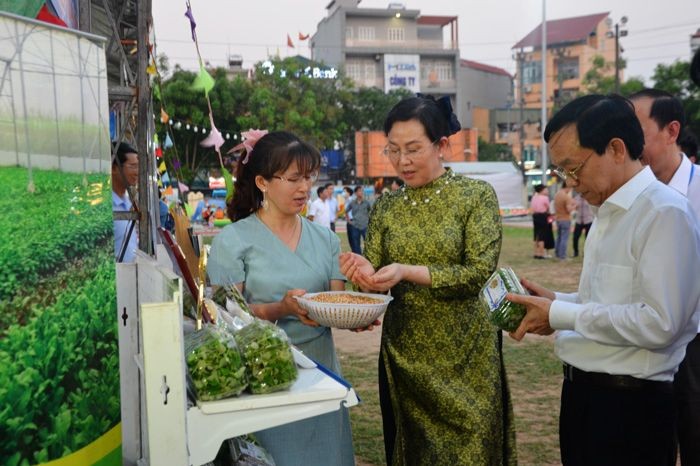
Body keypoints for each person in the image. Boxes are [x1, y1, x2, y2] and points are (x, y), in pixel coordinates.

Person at [507, 94, 700, 466]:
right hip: (584, 398)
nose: (570, 182)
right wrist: (557, 302)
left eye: (572, 167)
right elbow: (612, 300)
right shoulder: (607, 211)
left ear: (615, 149)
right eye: (561, 172)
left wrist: (560, 314)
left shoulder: (664, 213)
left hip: (630, 409)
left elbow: (659, 323)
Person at [340, 96, 517, 465]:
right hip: (405, 356)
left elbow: (479, 273)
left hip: (467, 355)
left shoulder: (475, 196)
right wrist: (363, 274)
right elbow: (374, 282)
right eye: (393, 150)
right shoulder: (386, 206)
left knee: (473, 449)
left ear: (442, 146)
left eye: (413, 149)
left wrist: (408, 271)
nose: (402, 161)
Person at [207, 131, 355, 466]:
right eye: (292, 179)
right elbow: (220, 317)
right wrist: (280, 309)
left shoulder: (326, 239)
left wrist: (356, 308)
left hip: (322, 376)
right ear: (262, 182)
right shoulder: (233, 241)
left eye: (308, 177)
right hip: (265, 379)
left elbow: (336, 302)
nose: (304, 188)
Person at [630, 88, 700, 466]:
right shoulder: (632, 197)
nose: (628, 142)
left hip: (695, 346)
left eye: (637, 130)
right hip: (644, 343)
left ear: (671, 130)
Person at [111, 142, 139, 262]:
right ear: (114, 168)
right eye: (132, 166)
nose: (137, 172)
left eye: (138, 166)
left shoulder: (128, 202)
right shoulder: (107, 205)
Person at [553, 179, 576, 260]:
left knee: (559, 237)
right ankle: (562, 256)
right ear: (568, 186)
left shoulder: (557, 194)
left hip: (558, 218)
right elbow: (569, 210)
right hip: (565, 219)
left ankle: (557, 253)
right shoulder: (566, 197)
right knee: (564, 238)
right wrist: (575, 206)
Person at [530, 184, 554, 259]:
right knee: (542, 235)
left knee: (536, 234)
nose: (547, 191)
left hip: (535, 216)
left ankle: (536, 253)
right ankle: (541, 254)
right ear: (542, 190)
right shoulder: (545, 198)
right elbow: (548, 208)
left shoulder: (534, 197)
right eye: (546, 189)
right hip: (543, 216)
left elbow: (532, 207)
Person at [345, 185, 370, 254]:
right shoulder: (352, 203)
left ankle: (368, 257)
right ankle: (358, 258)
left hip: (365, 226)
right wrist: (349, 221)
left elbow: (371, 212)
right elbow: (346, 211)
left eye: (362, 191)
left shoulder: (367, 203)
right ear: (355, 193)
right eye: (359, 191)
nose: (361, 192)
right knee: (356, 245)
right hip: (355, 226)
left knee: (368, 243)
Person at [571, 193, 592, 258]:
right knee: (575, 237)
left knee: (588, 238)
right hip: (579, 220)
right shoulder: (576, 198)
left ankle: (586, 253)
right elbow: (573, 207)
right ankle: (576, 252)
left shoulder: (589, 197)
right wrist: (575, 206)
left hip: (588, 220)